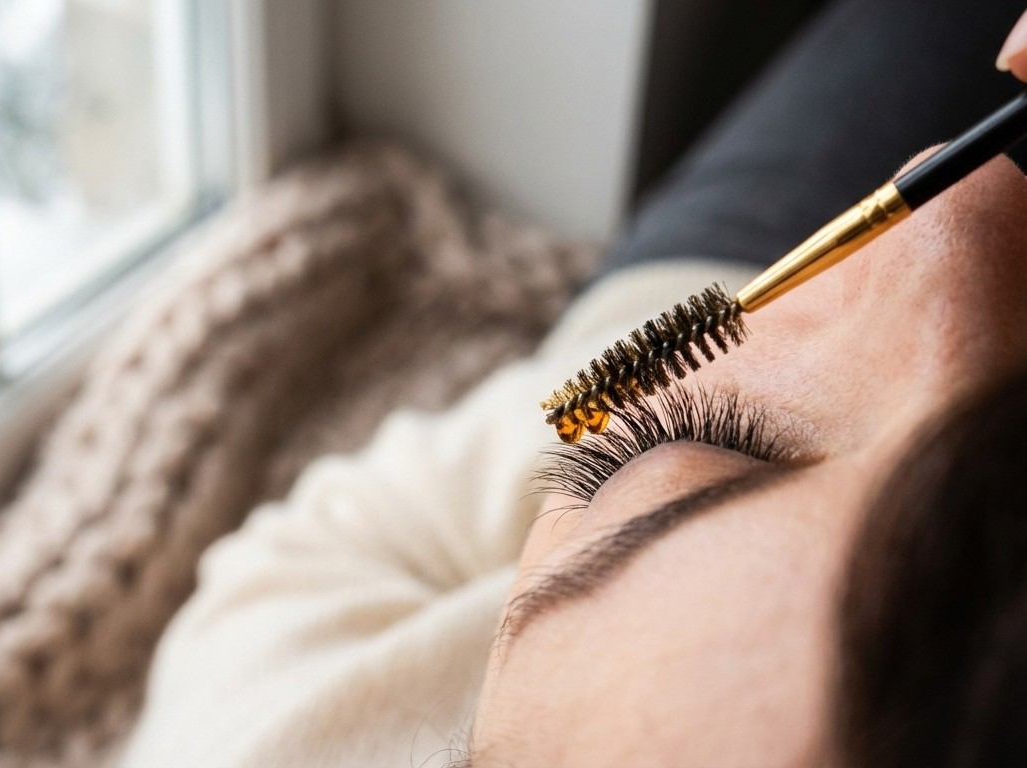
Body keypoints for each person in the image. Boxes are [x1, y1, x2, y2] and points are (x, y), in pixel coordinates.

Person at [121, 1, 1027, 765]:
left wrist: (620, 425)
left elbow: (336, 538)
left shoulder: (253, 739)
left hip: (713, 290)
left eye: (716, 447)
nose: (952, 208)